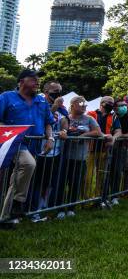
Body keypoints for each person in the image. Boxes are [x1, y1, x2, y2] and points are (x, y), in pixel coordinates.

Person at [0, 69, 55, 228]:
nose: (37, 82)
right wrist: (13, 133)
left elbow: (48, 122)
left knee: (16, 181)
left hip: (34, 145)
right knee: (28, 164)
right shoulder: (6, 97)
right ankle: (19, 202)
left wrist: (50, 137)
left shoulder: (41, 101)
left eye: (38, 79)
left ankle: (5, 218)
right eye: (33, 79)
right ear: (21, 81)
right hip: (14, 144)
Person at [56, 96, 102, 218]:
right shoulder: (65, 119)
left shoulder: (89, 119)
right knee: (61, 184)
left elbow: (98, 132)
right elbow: (60, 132)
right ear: (72, 105)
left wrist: (83, 135)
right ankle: (59, 209)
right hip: (64, 157)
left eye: (85, 104)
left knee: (75, 184)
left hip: (80, 158)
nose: (84, 106)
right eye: (81, 103)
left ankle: (71, 208)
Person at [28, 80, 67, 222]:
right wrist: (54, 107)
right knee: (35, 182)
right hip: (37, 150)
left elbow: (64, 121)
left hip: (55, 151)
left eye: (60, 91)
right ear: (45, 91)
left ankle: (43, 207)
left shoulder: (62, 108)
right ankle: (32, 210)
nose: (58, 94)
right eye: (55, 91)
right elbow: (43, 119)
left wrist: (64, 130)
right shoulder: (38, 102)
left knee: (49, 182)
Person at [86, 96, 120, 206]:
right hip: (90, 149)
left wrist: (113, 139)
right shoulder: (91, 114)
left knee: (101, 176)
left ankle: (98, 199)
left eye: (112, 103)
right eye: (108, 102)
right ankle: (86, 200)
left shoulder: (114, 116)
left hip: (104, 150)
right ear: (101, 103)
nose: (110, 104)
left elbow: (118, 131)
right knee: (87, 177)